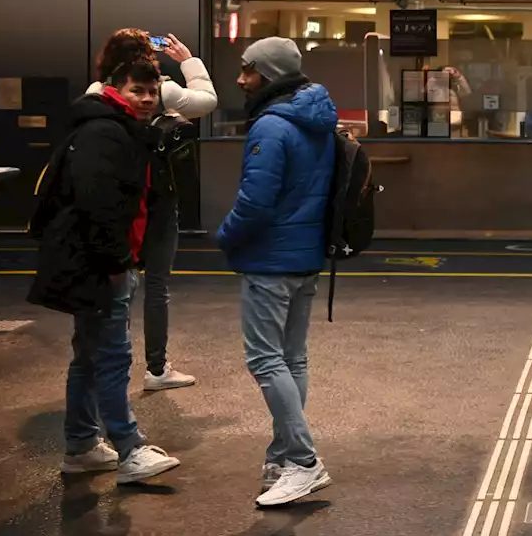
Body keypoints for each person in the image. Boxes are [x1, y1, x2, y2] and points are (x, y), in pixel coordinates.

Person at [27, 52, 181, 485]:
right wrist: (117, 263)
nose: (148, 99)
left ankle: (81, 446)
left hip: (98, 260)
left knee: (90, 357)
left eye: (153, 92)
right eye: (139, 91)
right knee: (112, 357)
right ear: (116, 89)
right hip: (103, 265)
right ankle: (129, 449)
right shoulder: (106, 133)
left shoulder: (118, 130)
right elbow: (101, 206)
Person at [218, 36, 338, 507]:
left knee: (266, 360)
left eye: (247, 70)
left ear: (267, 75)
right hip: (307, 255)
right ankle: (282, 455)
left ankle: (305, 462)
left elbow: (255, 202)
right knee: (293, 360)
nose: (240, 78)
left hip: (271, 259)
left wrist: (224, 236)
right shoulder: (319, 120)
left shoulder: (271, 126)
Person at [86, 30, 217, 391]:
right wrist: (188, 60)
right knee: (156, 285)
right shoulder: (161, 89)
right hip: (158, 198)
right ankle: (156, 369)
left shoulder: (96, 93)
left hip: (118, 201)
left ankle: (114, 364)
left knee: (118, 285)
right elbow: (207, 100)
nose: (145, 97)